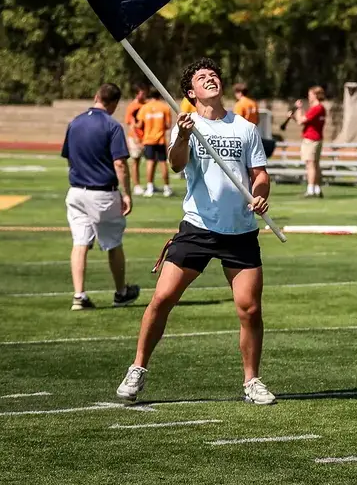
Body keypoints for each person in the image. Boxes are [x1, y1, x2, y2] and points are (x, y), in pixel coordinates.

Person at [116, 57, 275, 405]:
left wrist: (260, 197)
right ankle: (138, 369)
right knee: (162, 299)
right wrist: (184, 135)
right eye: (202, 78)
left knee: (249, 309)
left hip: (241, 231)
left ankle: (252, 381)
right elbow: (175, 164)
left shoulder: (244, 128)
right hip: (198, 228)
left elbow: (260, 176)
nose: (211, 79)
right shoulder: (186, 126)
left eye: (214, 75)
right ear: (191, 92)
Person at [61, 83, 140, 311]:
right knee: (113, 243)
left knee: (79, 243)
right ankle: (121, 292)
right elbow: (120, 163)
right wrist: (127, 194)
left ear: (96, 97)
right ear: (114, 103)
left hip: (76, 191)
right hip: (102, 193)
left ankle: (79, 295)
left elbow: (69, 157)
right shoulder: (112, 126)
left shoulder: (75, 122)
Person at [138, 87, 173, 197]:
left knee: (150, 162)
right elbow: (168, 125)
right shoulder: (164, 108)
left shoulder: (144, 108)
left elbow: (140, 124)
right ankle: (167, 188)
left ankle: (149, 187)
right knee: (163, 163)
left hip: (148, 139)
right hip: (160, 139)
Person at [297, 86, 327, 197]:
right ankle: (317, 188)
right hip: (317, 138)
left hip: (311, 139)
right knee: (315, 164)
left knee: (310, 164)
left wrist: (299, 109)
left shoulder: (316, 108)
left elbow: (301, 121)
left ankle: (311, 189)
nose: (308, 97)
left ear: (315, 95)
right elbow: (306, 122)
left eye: (310, 94)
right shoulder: (321, 108)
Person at [124, 85, 147, 195]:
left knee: (150, 161)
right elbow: (131, 125)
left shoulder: (146, 105)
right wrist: (137, 139)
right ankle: (136, 185)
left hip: (146, 137)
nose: (144, 95)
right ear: (137, 94)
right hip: (135, 137)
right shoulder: (132, 106)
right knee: (135, 161)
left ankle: (150, 184)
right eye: (142, 93)